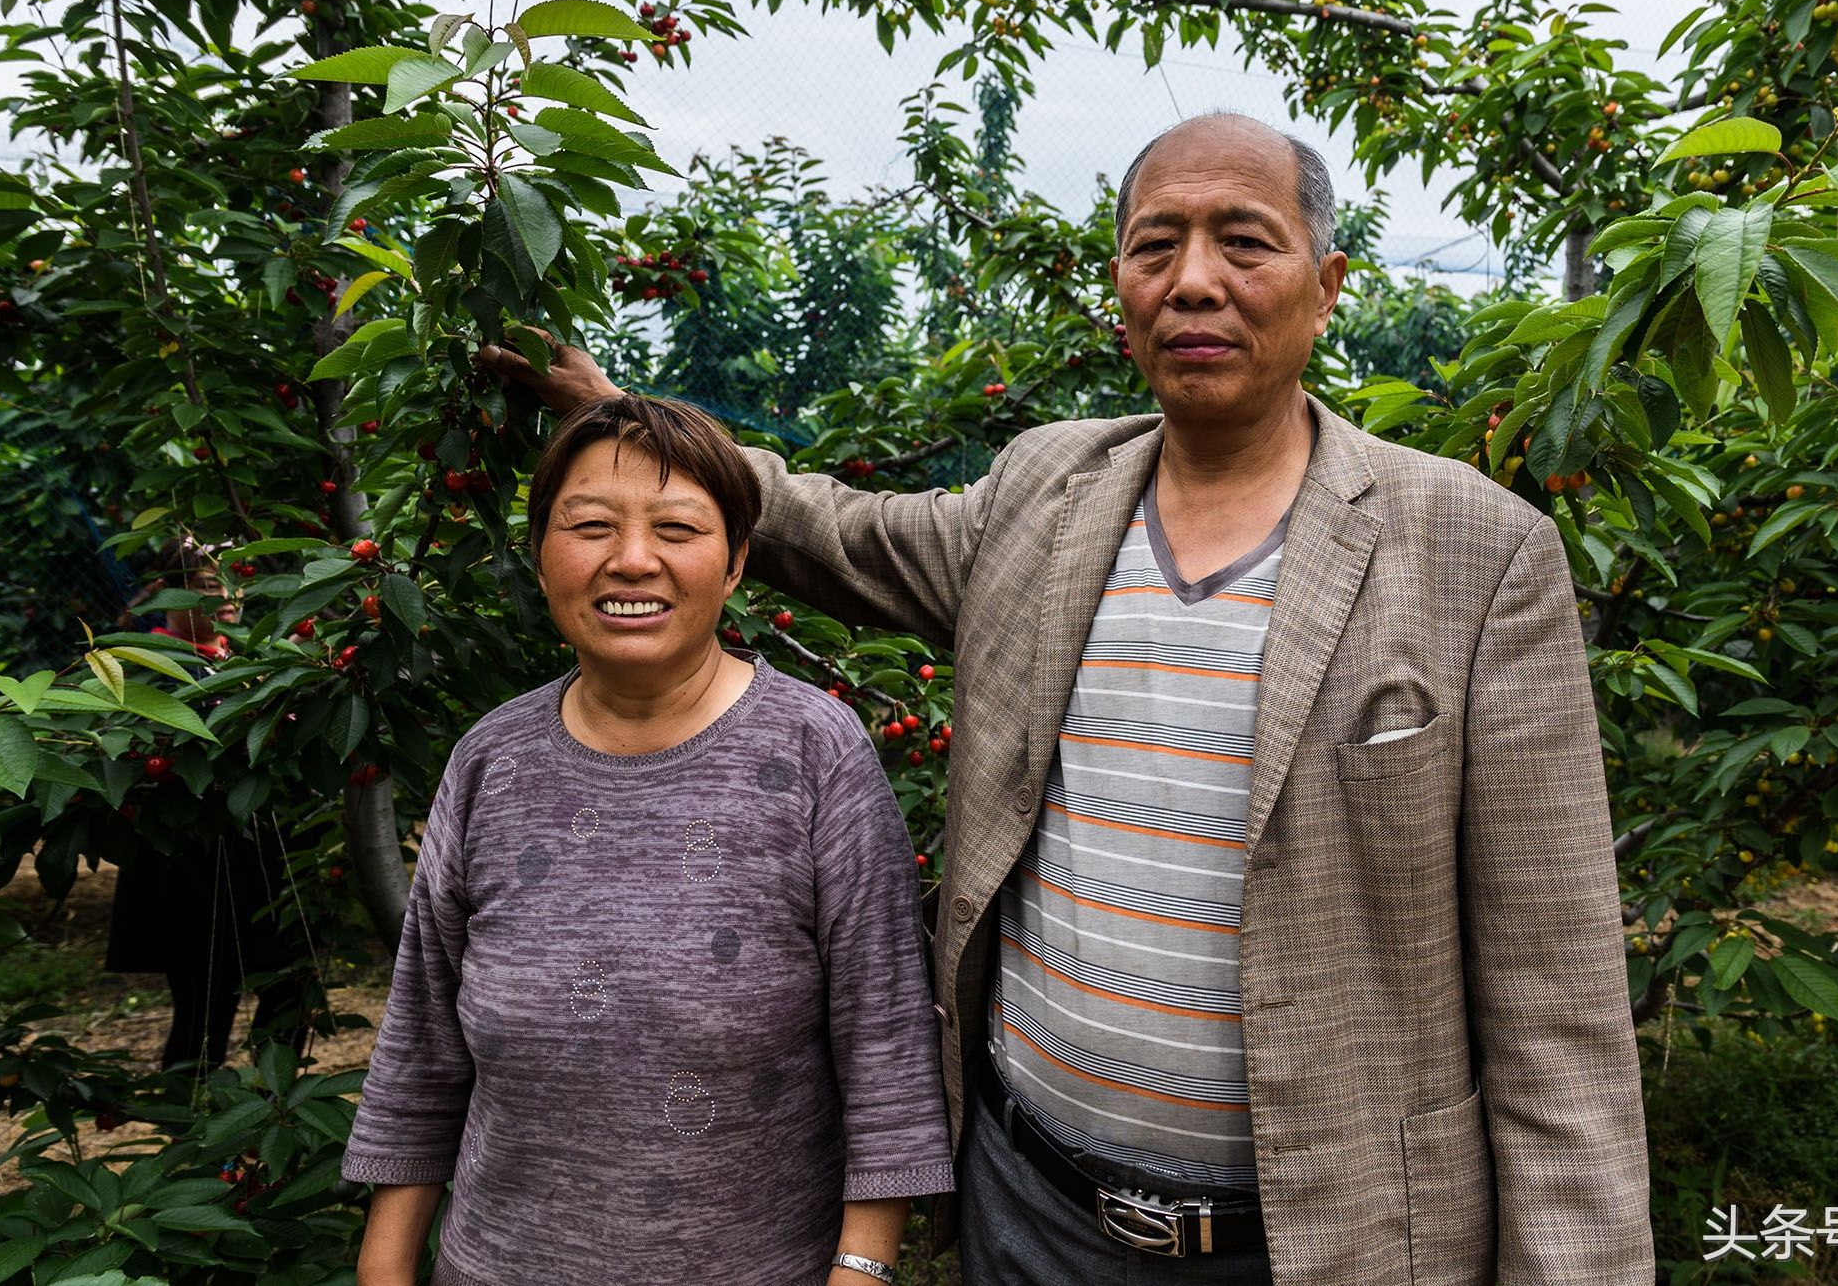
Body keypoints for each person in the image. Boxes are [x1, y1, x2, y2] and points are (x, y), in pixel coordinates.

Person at [489, 112, 1653, 1284]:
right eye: (1155, 247)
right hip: (1036, 1218)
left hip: (1333, 1244)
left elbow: (1555, 1006)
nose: (1193, 280)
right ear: (1120, 287)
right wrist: (635, 432)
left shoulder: (1473, 549)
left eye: (1243, 242)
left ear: (1326, 283)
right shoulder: (1047, 494)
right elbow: (844, 534)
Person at [340, 394, 952, 1286]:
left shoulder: (817, 754)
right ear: (541, 551)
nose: (632, 560)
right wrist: (386, 1268)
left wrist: (861, 1268)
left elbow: (887, 1046)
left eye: (677, 527)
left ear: (738, 559)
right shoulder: (490, 763)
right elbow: (422, 1050)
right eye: (590, 525)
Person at [105, 536, 313, 1070]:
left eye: (233, 581)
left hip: (259, 859)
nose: (225, 595)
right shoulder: (144, 666)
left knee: (291, 984)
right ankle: (192, 1131)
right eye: (205, 585)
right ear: (169, 595)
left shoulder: (246, 661)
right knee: (204, 999)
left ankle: (273, 1113)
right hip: (189, 870)